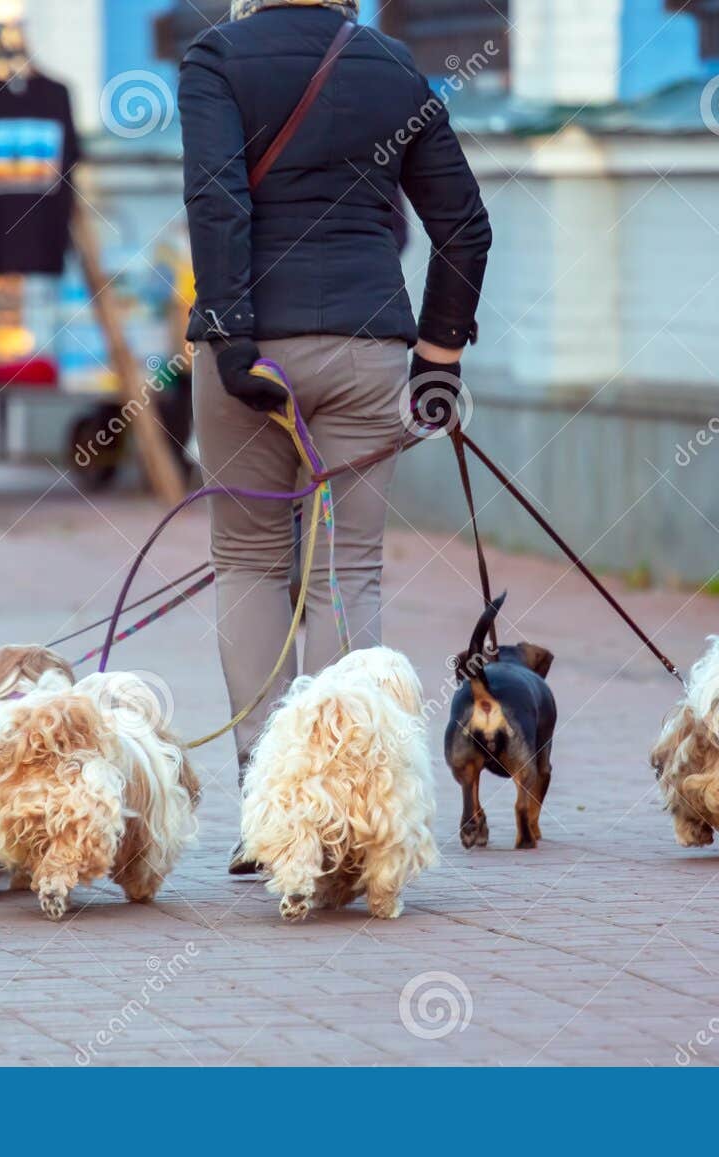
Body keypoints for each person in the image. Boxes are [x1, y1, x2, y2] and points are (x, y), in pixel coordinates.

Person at [178, 0, 492, 872]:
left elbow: (216, 198)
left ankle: (265, 805)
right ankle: (337, 803)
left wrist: (234, 333)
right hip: (368, 348)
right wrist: (438, 362)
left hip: (250, 360)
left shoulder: (217, 59)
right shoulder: (393, 67)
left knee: (248, 562)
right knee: (345, 570)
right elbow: (464, 224)